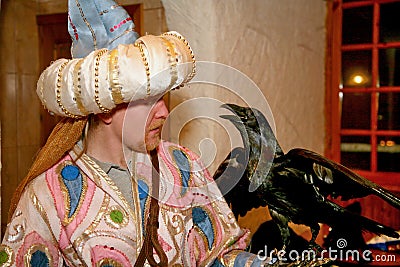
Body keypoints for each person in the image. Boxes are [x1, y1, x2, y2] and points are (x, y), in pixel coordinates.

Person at [0, 0, 269, 266]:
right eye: (148, 100)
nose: (164, 112)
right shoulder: (49, 193)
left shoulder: (185, 167)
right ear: (105, 109)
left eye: (163, 97)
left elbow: (221, 255)